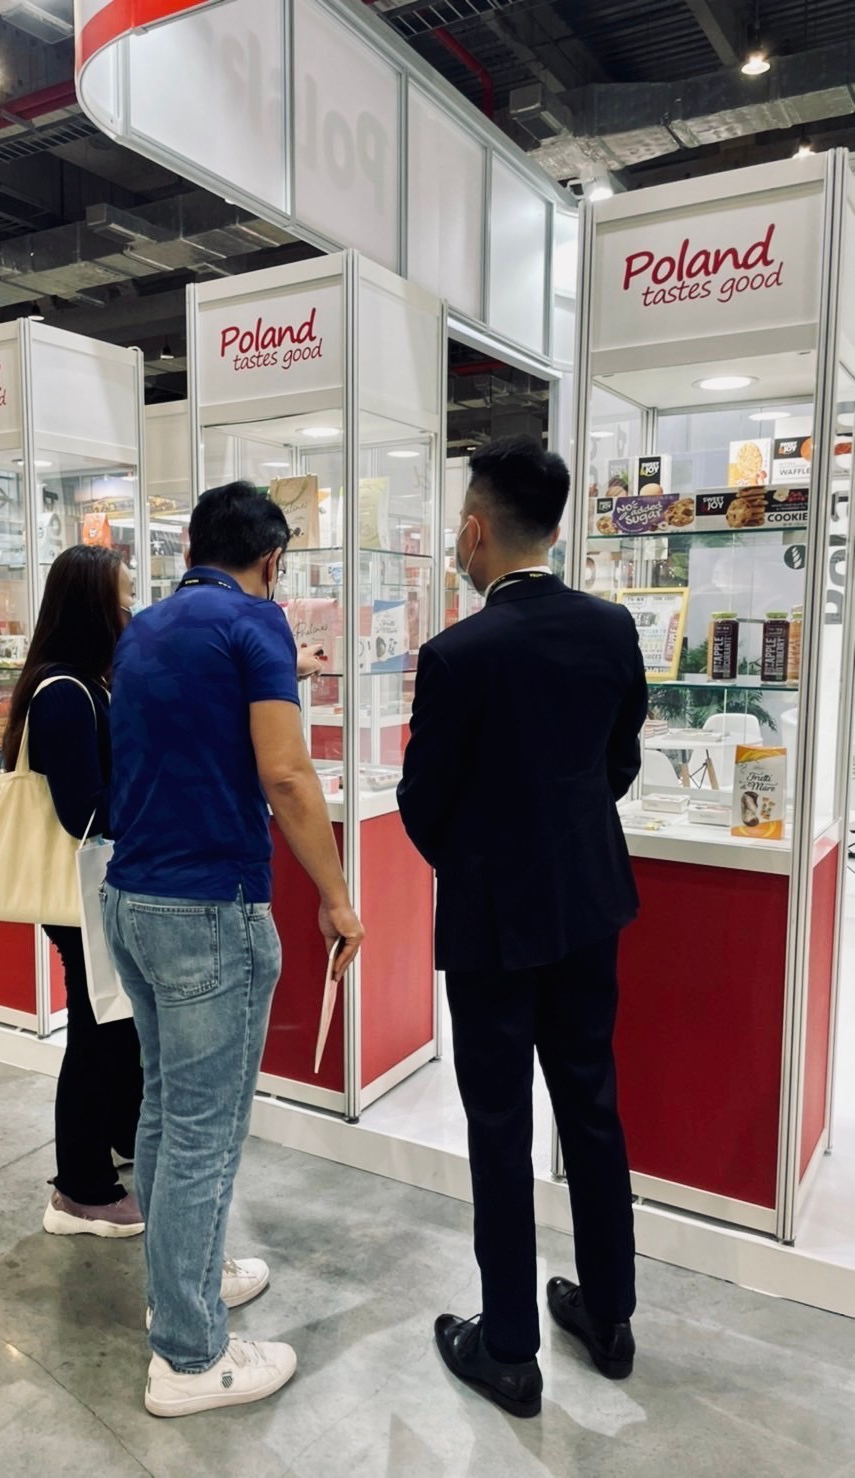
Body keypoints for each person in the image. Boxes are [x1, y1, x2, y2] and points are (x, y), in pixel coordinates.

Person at [397, 436, 648, 1419]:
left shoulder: (457, 653)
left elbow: (423, 802)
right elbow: (617, 760)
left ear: (476, 529)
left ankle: (508, 1348)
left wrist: (484, 857)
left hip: (493, 917)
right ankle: (610, 1316)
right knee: (591, 1102)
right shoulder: (611, 627)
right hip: (589, 900)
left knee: (499, 1123)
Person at [103, 481, 364, 1419]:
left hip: (131, 899)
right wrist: (337, 898)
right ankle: (190, 1354)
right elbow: (286, 774)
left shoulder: (143, 629)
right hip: (209, 907)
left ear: (191, 549)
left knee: (166, 1111)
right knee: (204, 1134)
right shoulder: (258, 627)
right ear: (272, 559)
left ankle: (183, 1283)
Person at [1, 545, 145, 1239]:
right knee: (95, 1032)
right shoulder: (64, 692)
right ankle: (79, 1191)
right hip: (79, 888)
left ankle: (117, 1139)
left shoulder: (90, 683)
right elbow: (83, 811)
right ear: (93, 605)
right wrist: (152, 798)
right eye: (123, 596)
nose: (131, 608)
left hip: (98, 886)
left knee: (115, 1024)